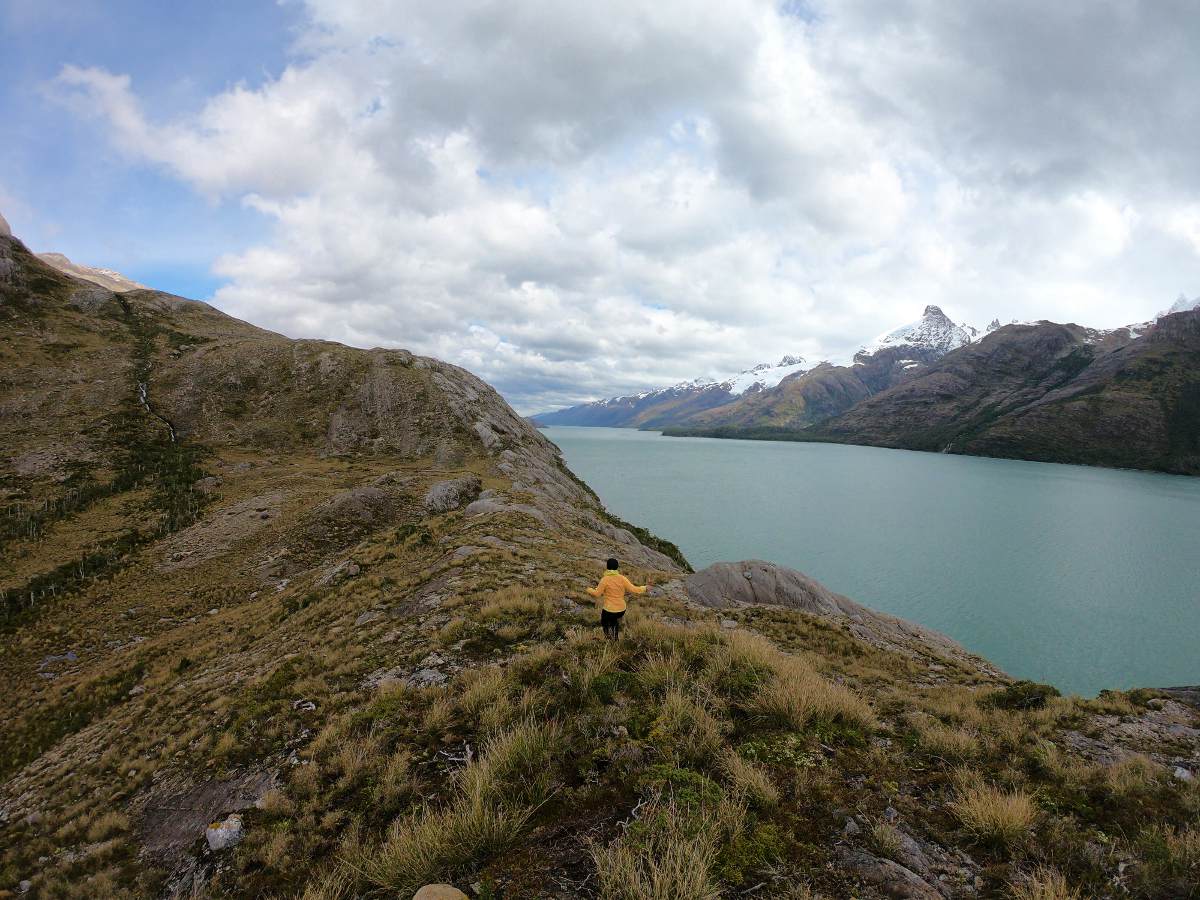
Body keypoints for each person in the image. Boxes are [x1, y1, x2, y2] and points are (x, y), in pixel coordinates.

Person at [587, 557, 648, 641]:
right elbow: (634, 589)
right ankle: (615, 638)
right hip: (621, 609)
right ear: (617, 567)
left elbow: (597, 594)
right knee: (614, 621)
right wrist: (645, 588)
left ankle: (608, 639)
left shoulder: (604, 580)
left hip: (609, 609)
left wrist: (588, 589)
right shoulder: (622, 578)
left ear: (607, 567)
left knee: (604, 622)